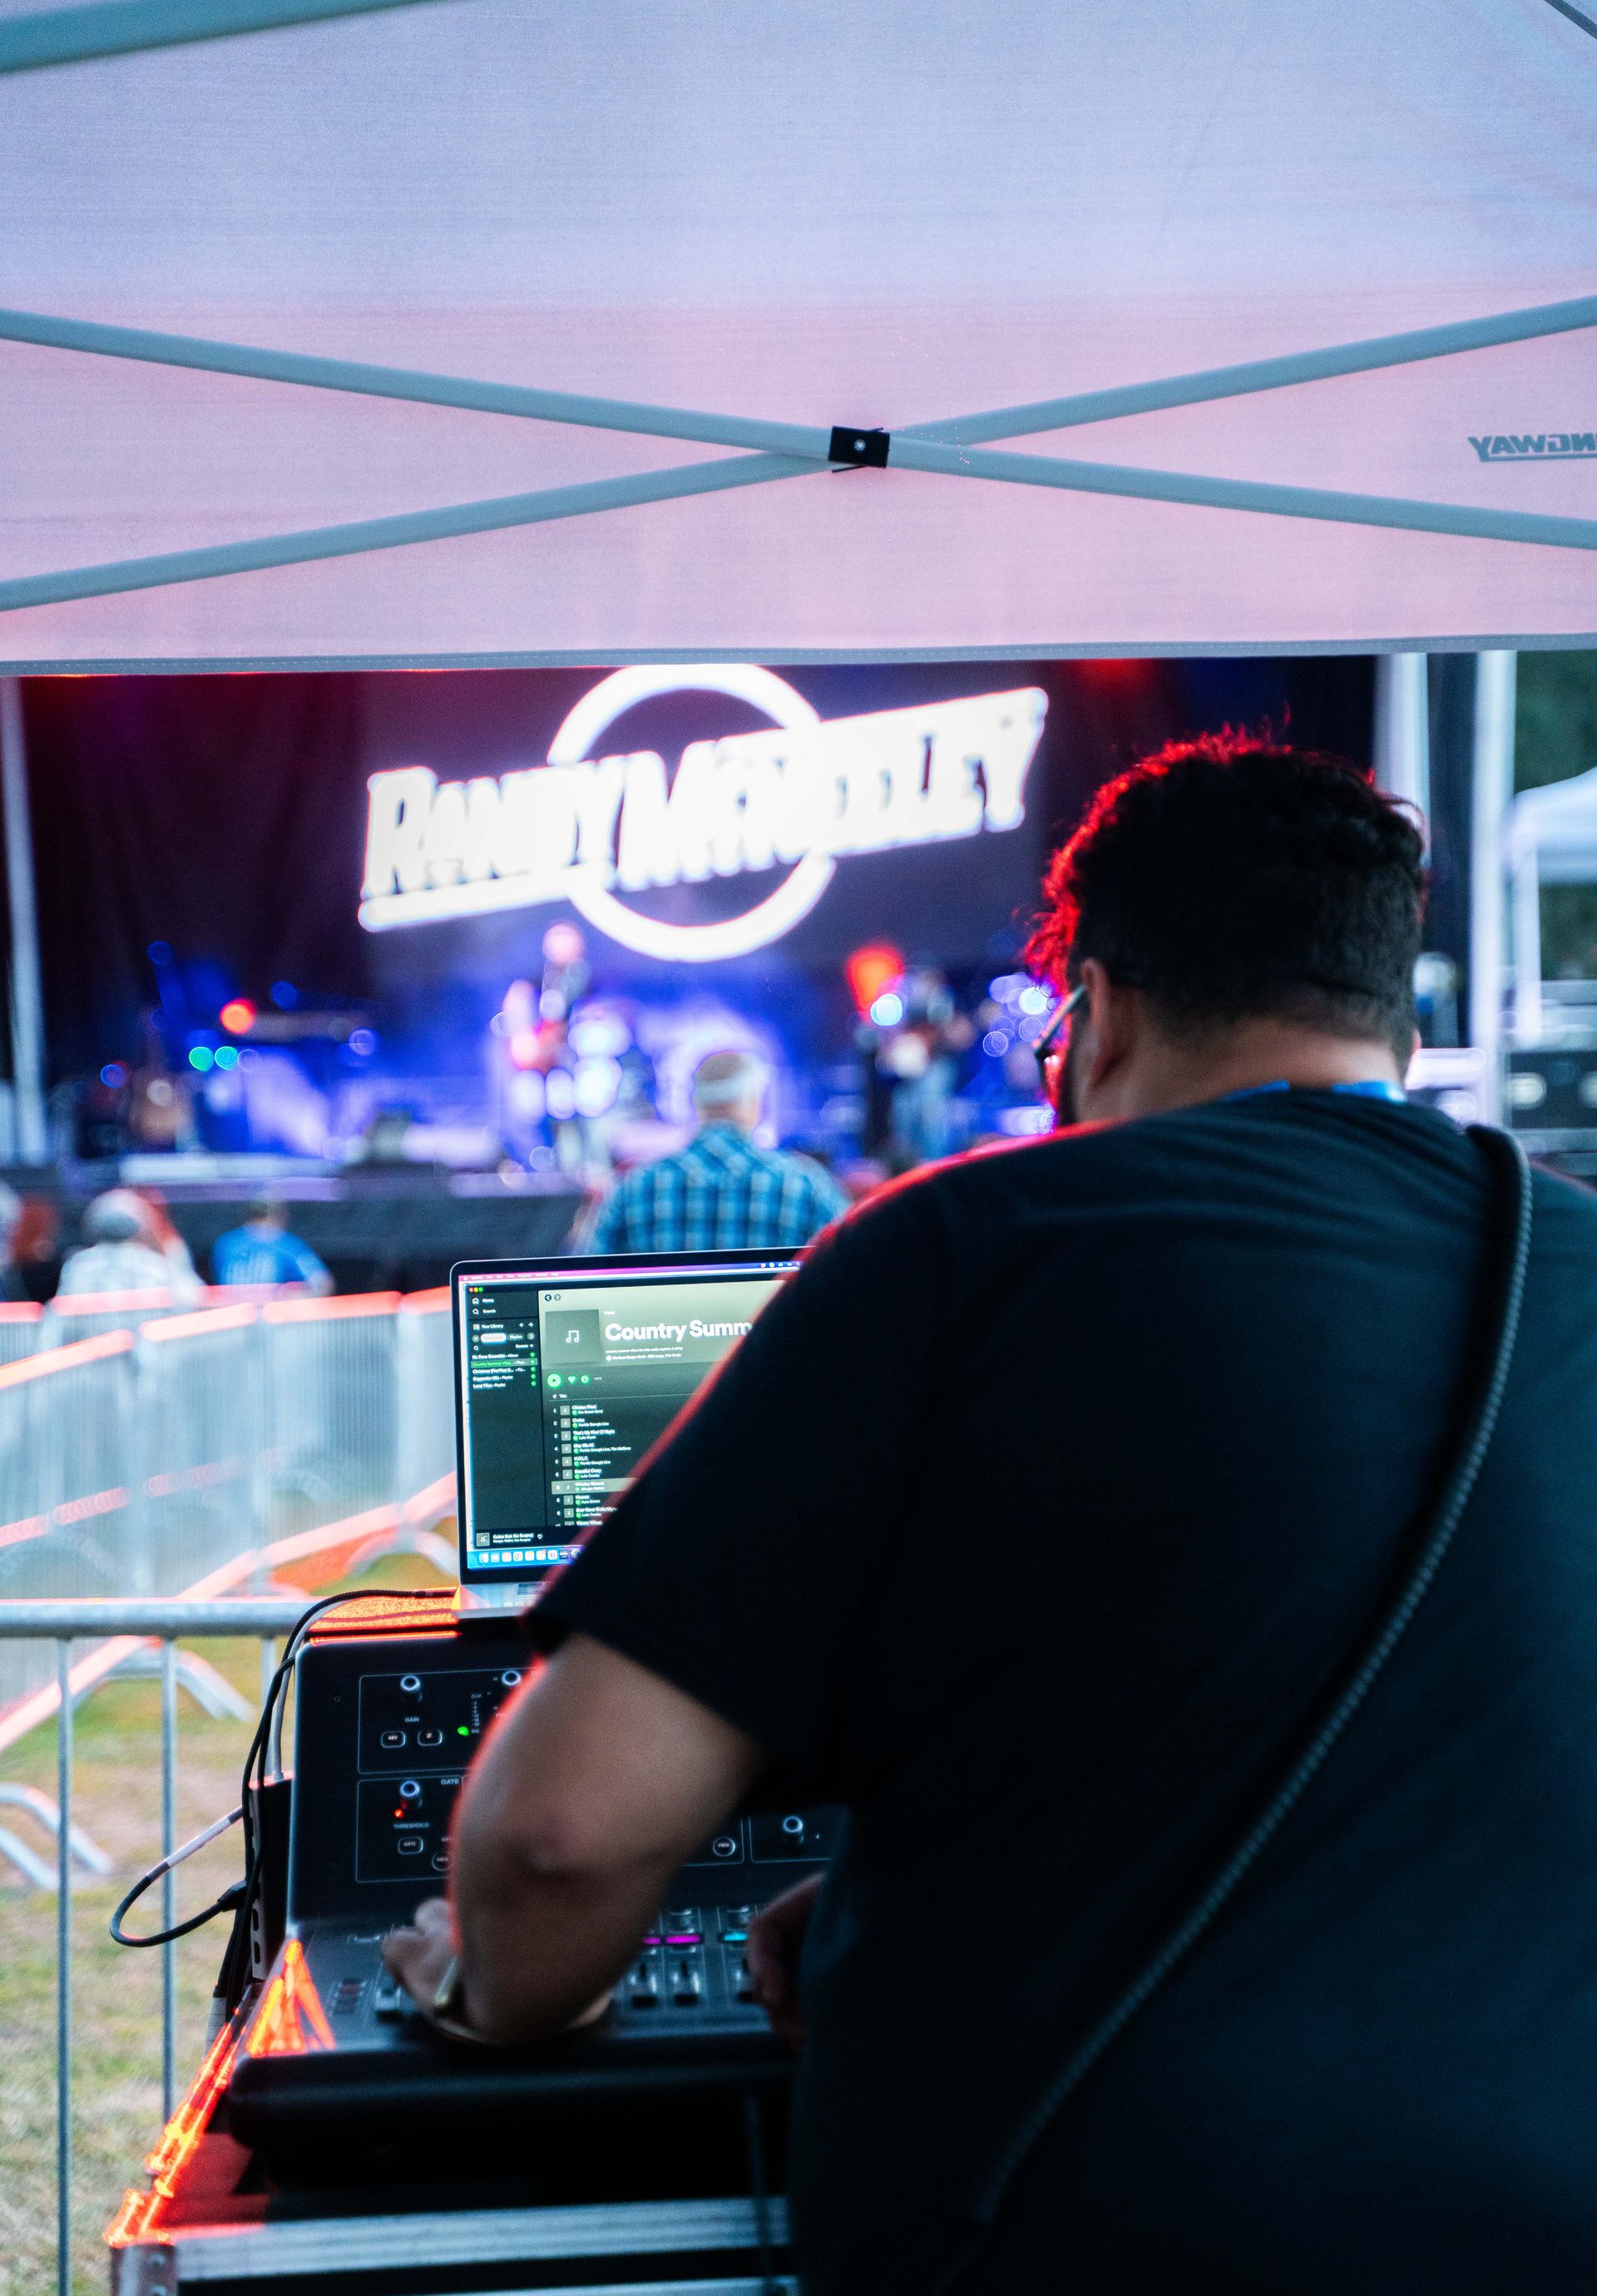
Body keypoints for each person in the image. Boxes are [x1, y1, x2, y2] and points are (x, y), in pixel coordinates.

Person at [386, 738, 1597, 2294]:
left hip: (1077, 2232)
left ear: (1096, 1013)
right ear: (1399, 1023)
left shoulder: (954, 1250)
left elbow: (561, 1838)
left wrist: (487, 1991)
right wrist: (980, 1876)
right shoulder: (1570, 1262)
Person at [585, 1050, 848, 1254]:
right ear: (755, 1103)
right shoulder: (803, 1183)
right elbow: (850, 1265)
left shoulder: (634, 1187)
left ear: (697, 1103)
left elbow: (585, 1277)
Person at [57, 1190, 202, 1300]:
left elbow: (58, 1317)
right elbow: (196, 1299)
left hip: (94, 1340)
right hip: (144, 1338)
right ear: (143, 1227)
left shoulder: (78, 1266)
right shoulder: (154, 1265)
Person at [210, 1198, 332, 1293]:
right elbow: (322, 1283)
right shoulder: (285, 1243)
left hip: (232, 1317)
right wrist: (293, 1296)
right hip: (275, 1318)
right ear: (278, 1215)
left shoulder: (226, 1242)